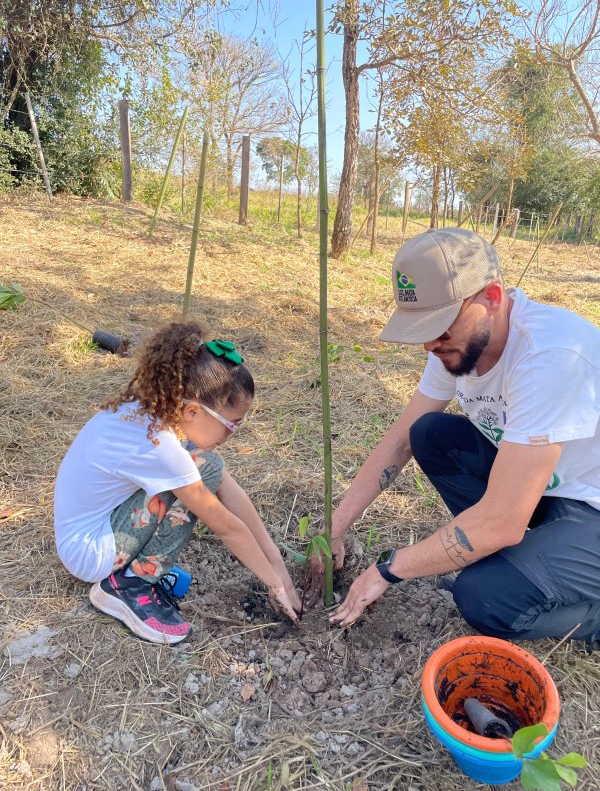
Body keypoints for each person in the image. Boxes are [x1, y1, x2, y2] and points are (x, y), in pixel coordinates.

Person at [321, 227, 600, 645]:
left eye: (442, 326)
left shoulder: (550, 358)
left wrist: (388, 569)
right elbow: (402, 440)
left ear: (491, 296)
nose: (431, 343)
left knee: (485, 599)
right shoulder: (458, 346)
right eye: (423, 328)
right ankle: (515, 560)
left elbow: (504, 520)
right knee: (430, 434)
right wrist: (336, 525)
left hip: (590, 506)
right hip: (546, 489)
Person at [54, 321, 301, 645]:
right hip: (90, 551)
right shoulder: (159, 447)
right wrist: (276, 584)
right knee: (200, 475)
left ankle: (134, 572)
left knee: (208, 467)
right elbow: (225, 524)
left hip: (93, 527)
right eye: (232, 424)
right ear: (194, 411)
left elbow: (226, 486)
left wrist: (276, 562)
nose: (232, 435)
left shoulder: (146, 415)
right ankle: (131, 586)